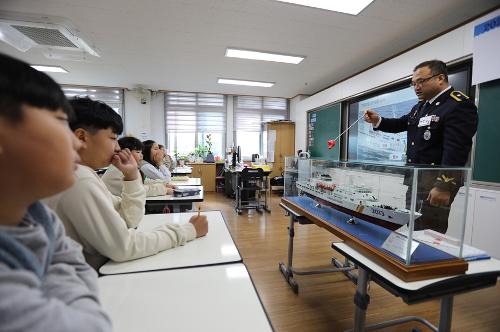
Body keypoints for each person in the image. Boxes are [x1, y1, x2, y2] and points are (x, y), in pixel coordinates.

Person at [0, 54, 111, 331]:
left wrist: (52, 268)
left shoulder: (37, 215)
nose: (78, 143)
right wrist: (54, 266)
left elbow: (73, 264)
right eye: (61, 121)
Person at [44, 97, 208, 269]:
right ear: (81, 136)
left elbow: (129, 220)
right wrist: (188, 230)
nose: (117, 147)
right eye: (113, 138)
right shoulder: (78, 179)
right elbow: (124, 247)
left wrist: (131, 176)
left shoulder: (84, 174)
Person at [364, 60, 478, 233]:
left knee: (428, 230)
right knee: (413, 226)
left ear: (440, 78)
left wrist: (443, 185)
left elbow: (456, 149)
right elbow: (402, 123)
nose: (416, 87)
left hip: (436, 181)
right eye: (413, 83)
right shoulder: (422, 106)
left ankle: (425, 260)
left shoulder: (458, 105)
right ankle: (412, 259)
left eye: (421, 81)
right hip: (416, 178)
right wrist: (377, 120)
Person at [102, 136, 175, 197]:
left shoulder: (126, 166)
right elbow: (139, 190)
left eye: (141, 152)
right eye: (138, 152)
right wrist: (164, 189)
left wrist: (163, 184)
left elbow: (142, 182)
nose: (141, 155)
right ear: (125, 153)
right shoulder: (120, 169)